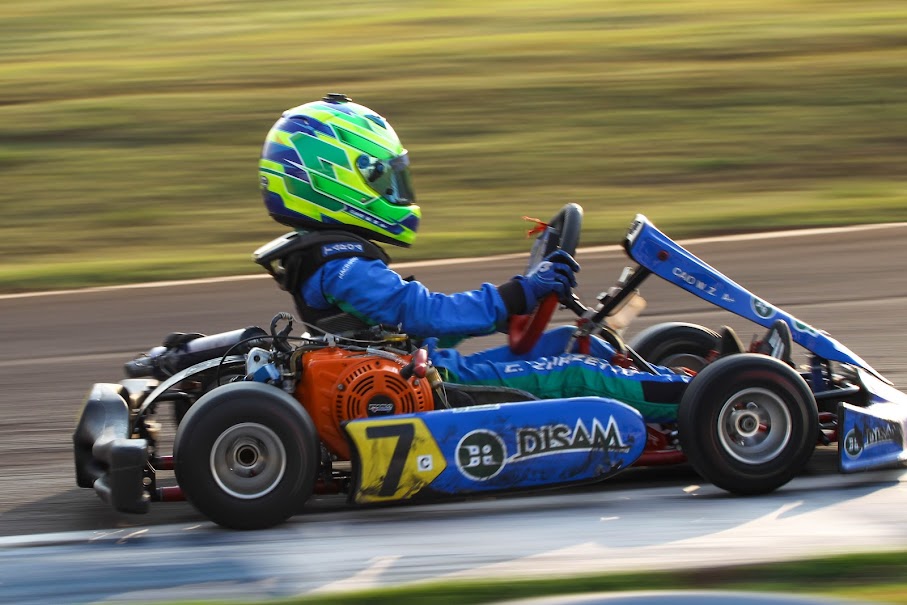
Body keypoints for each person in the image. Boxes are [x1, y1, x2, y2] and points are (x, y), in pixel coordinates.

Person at [256, 93, 694, 422]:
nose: (395, 191)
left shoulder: (325, 258)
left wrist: (506, 313)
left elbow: (403, 330)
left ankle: (678, 386)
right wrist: (516, 296)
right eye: (382, 178)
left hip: (419, 368)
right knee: (577, 374)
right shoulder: (339, 263)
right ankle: (702, 400)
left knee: (575, 346)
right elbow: (421, 314)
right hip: (434, 384)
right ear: (333, 180)